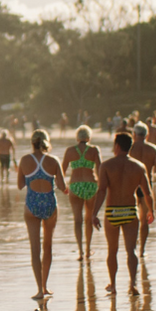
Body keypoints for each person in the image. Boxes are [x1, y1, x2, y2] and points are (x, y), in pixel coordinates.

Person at [92, 133, 154, 296]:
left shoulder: (106, 166)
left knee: (112, 251)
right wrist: (150, 211)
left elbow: (102, 191)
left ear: (117, 146)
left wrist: (94, 213)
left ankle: (113, 285)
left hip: (113, 211)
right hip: (130, 210)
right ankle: (133, 285)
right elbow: (147, 193)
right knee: (131, 250)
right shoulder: (139, 167)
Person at [18, 129, 68, 301]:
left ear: (32, 143)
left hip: (31, 205)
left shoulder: (25, 160)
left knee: (35, 248)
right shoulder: (53, 160)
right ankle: (46, 286)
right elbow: (62, 186)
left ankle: (39, 289)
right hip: (49, 204)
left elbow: (19, 185)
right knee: (48, 246)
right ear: (46, 142)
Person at [62, 126, 100, 261]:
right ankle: (88, 250)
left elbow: (62, 171)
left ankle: (80, 252)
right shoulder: (94, 150)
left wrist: (63, 187)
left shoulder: (70, 151)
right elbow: (99, 170)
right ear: (88, 138)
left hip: (75, 185)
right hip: (91, 185)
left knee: (77, 220)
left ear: (77, 137)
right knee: (89, 219)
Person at [130, 122, 156, 256]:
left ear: (134, 134)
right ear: (147, 135)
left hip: (131, 186)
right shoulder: (152, 149)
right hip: (147, 186)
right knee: (145, 220)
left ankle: (132, 245)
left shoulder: (130, 148)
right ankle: (142, 250)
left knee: (132, 218)